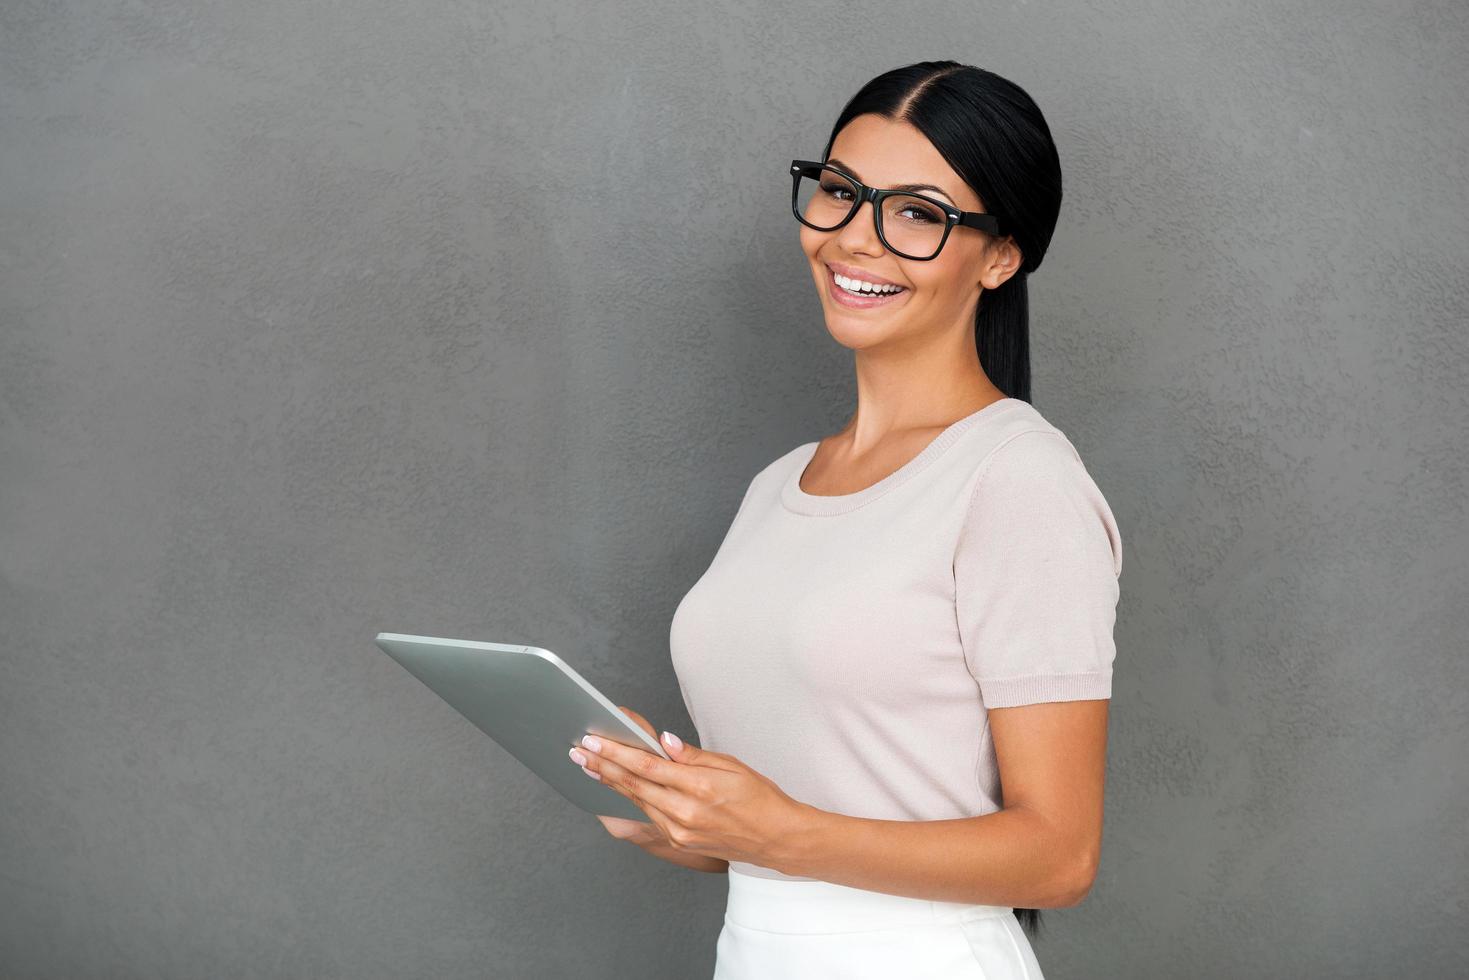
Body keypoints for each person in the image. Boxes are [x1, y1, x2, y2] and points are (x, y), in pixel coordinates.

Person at [565, 59, 1122, 979]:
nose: (853, 239)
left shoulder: (1017, 481)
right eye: (839, 192)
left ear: (999, 254)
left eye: (916, 213)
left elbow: (1059, 858)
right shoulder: (783, 483)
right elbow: (785, 839)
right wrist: (666, 806)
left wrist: (782, 831)